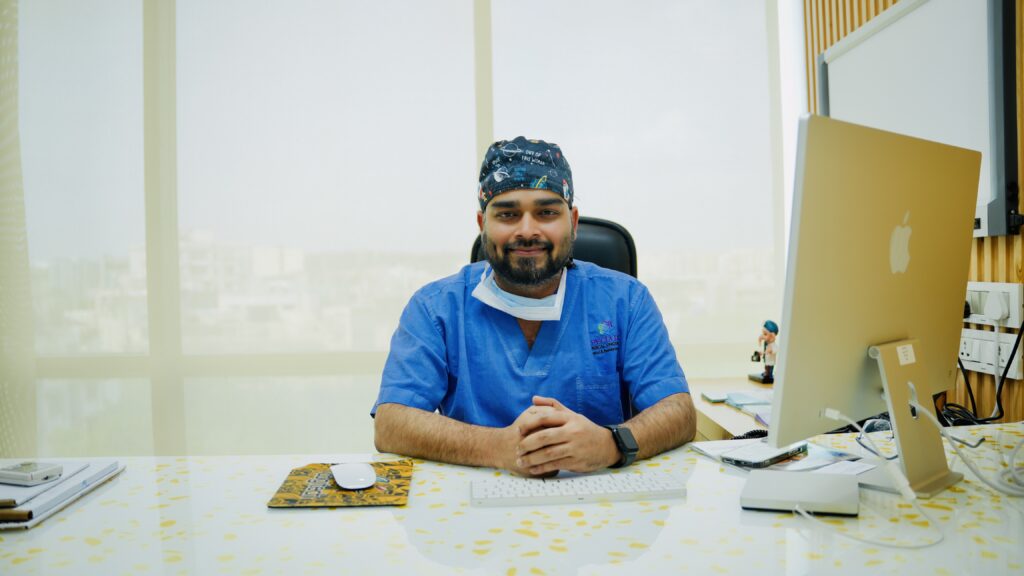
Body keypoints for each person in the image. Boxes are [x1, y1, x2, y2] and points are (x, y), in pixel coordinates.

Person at [372, 137, 695, 477]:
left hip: (601, 497)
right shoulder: (435, 308)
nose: (527, 230)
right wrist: (498, 448)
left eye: (547, 213)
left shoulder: (625, 301)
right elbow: (391, 424)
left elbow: (679, 411)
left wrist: (611, 443)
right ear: (483, 225)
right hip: (474, 502)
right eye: (508, 214)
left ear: (573, 221)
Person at [748, 320, 779, 384]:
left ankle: (769, 375)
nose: (762, 336)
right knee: (766, 367)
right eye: (763, 333)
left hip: (771, 361)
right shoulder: (767, 345)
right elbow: (766, 351)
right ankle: (766, 373)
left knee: (769, 367)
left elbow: (773, 350)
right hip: (767, 360)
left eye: (765, 334)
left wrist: (768, 351)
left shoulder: (773, 345)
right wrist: (761, 352)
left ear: (772, 335)